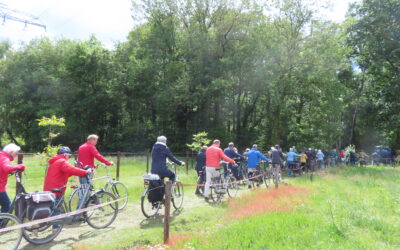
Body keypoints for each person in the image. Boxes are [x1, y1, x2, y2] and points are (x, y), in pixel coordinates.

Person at [44, 146, 92, 229]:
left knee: (53, 207)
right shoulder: (62, 161)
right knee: (56, 209)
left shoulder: (54, 161)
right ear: (65, 155)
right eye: (69, 156)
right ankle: (56, 228)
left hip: (48, 188)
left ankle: (44, 223)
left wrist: (78, 171)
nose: (69, 158)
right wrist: (85, 172)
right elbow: (71, 169)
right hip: (57, 189)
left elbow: (66, 172)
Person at [0, 143, 26, 213]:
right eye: (16, 152)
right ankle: (2, 223)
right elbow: (6, 168)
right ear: (11, 152)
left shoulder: (1, 156)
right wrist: (20, 166)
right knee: (6, 205)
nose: (17, 154)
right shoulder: (5, 158)